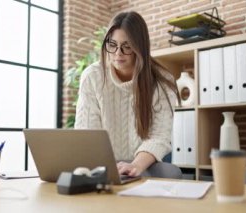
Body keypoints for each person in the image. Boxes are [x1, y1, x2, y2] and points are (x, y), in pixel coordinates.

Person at [74, 11, 181, 178]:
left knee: (170, 173)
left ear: (139, 47)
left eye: (127, 46)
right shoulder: (92, 76)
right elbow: (87, 133)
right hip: (106, 163)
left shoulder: (162, 81)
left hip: (146, 161)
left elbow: (159, 137)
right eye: (112, 44)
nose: (118, 53)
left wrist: (135, 166)